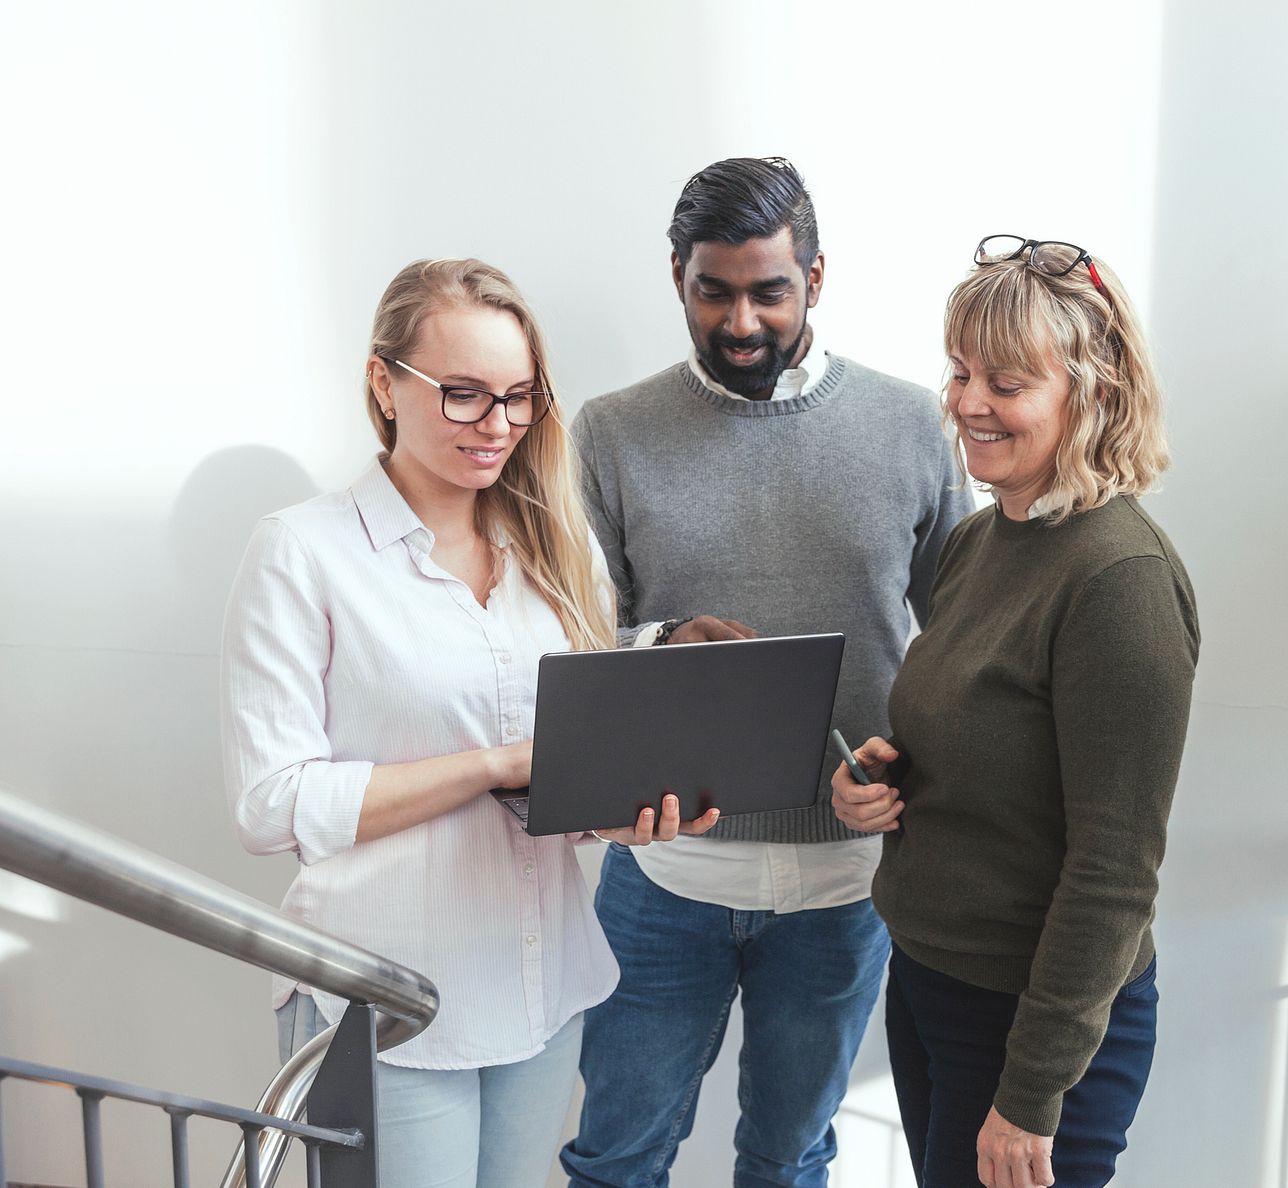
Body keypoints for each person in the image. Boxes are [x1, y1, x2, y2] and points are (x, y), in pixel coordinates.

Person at [220, 258, 717, 1188]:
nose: (496, 426)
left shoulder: (557, 554)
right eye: (462, 395)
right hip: (385, 994)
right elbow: (269, 805)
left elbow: (565, 785)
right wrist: (488, 764)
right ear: (384, 382)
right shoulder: (302, 552)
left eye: (519, 397)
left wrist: (632, 813)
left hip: (541, 986)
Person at [560, 158, 975, 1187]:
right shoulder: (609, 434)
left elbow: (965, 640)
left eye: (769, 291)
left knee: (790, 1163)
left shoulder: (916, 426)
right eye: (715, 290)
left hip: (847, 882)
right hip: (665, 877)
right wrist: (658, 643)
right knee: (615, 1161)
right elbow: (569, 639)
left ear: (817, 280)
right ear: (678, 279)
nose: (741, 320)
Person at [831, 237, 1200, 1188]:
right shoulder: (982, 536)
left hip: (1037, 1026)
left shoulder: (1120, 581)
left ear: (1094, 391)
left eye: (1006, 380)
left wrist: (1032, 1092)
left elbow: (1115, 869)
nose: (965, 402)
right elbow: (976, 736)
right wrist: (882, 779)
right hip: (931, 981)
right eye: (959, 372)